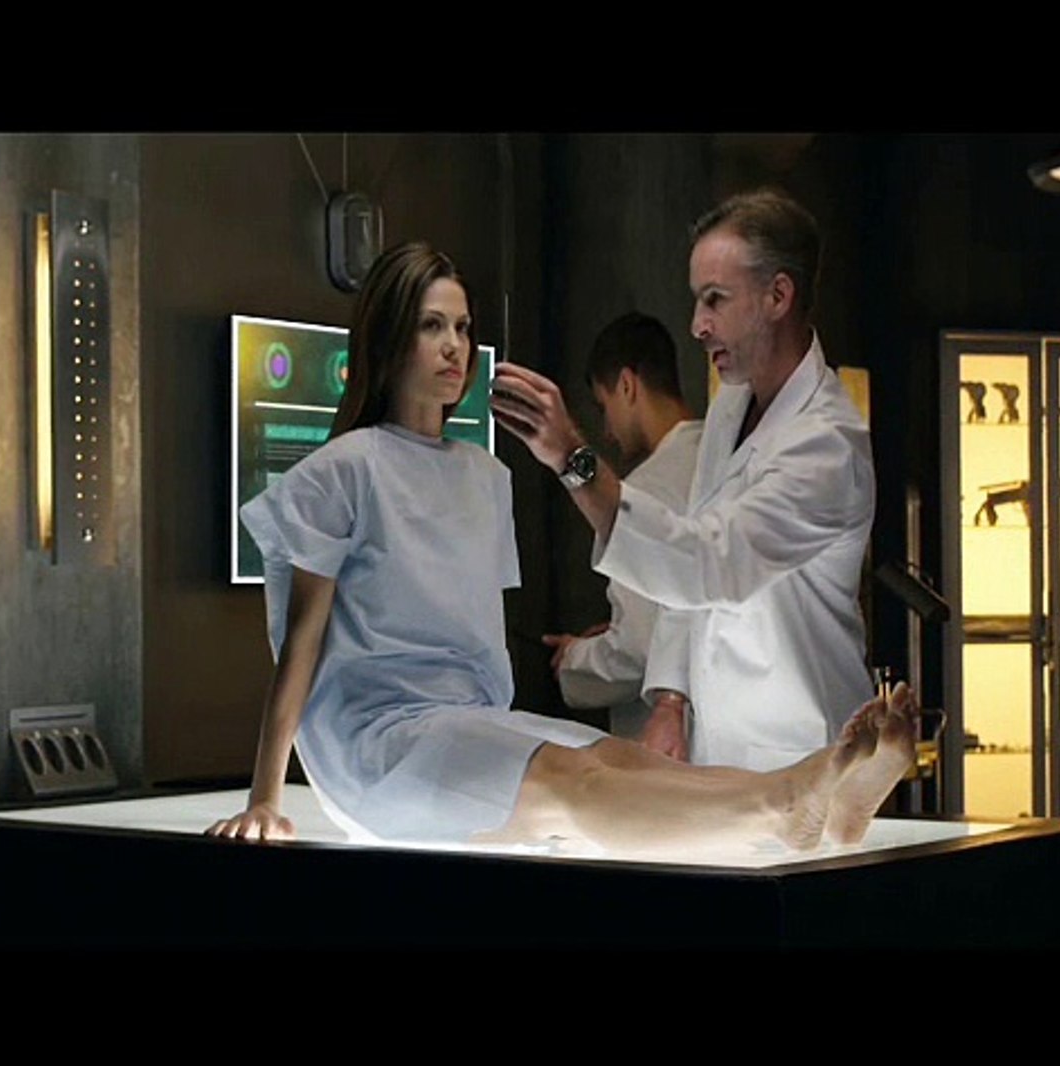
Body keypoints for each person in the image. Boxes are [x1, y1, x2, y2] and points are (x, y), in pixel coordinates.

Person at [205, 240, 914, 856]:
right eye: (431, 326)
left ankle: (813, 808)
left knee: (619, 759)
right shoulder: (340, 471)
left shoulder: (485, 476)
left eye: (462, 327)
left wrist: (505, 732)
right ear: (390, 339)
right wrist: (266, 796)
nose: (454, 346)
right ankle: (785, 804)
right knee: (567, 784)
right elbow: (300, 647)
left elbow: (478, 641)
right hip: (378, 745)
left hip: (467, 720)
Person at [492, 188, 876, 771]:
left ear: (778, 296)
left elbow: (705, 564)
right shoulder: (732, 407)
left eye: (715, 299)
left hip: (806, 754)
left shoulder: (827, 446)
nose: (697, 325)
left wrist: (573, 458)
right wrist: (671, 697)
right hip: (720, 749)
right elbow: (691, 563)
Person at [543, 312, 702, 740]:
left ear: (628, 386)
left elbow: (637, 650)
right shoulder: (722, 462)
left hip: (670, 743)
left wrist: (575, 659)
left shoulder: (646, 488)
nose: (607, 430)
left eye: (603, 406)